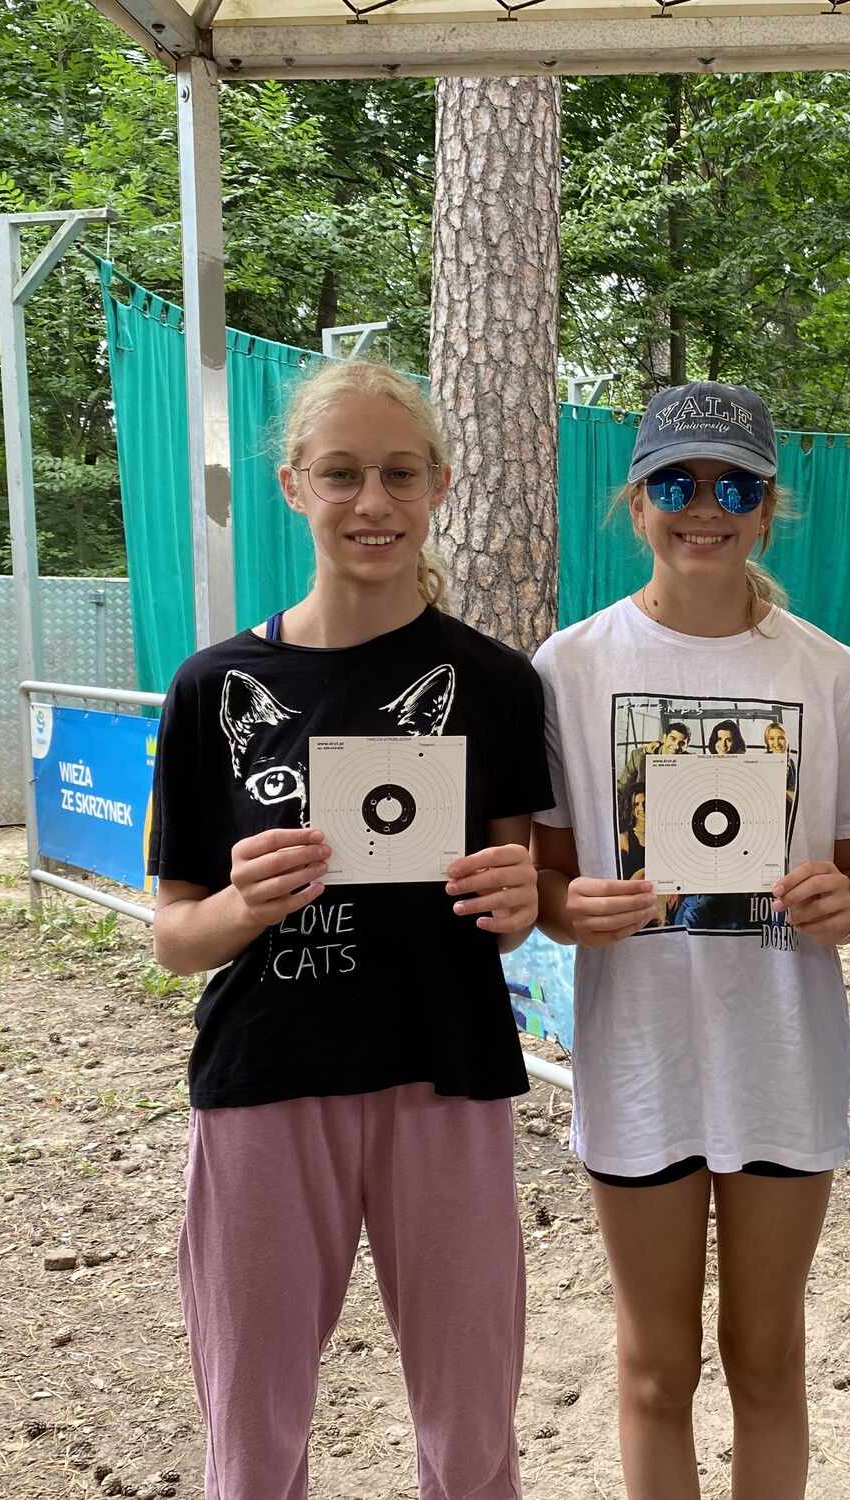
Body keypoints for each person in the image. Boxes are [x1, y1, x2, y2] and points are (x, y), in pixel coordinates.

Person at [147, 358, 550, 1500]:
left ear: (440, 485)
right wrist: (243, 904)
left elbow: (508, 911)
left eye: (399, 474)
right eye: (341, 474)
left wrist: (518, 900)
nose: (372, 502)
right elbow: (175, 937)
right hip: (267, 1077)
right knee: (252, 1432)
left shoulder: (495, 684)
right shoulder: (214, 686)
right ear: (292, 486)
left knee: (471, 1434)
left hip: (445, 1073)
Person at [531, 381, 850, 1500]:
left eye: (735, 488)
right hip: (642, 1059)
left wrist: (842, 901)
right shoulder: (569, 668)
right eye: (676, 482)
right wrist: (568, 910)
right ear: (636, 502)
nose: (703, 508)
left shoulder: (828, 672)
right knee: (654, 1369)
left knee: (766, 1360)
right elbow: (545, 881)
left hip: (782, 1059)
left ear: (768, 509)